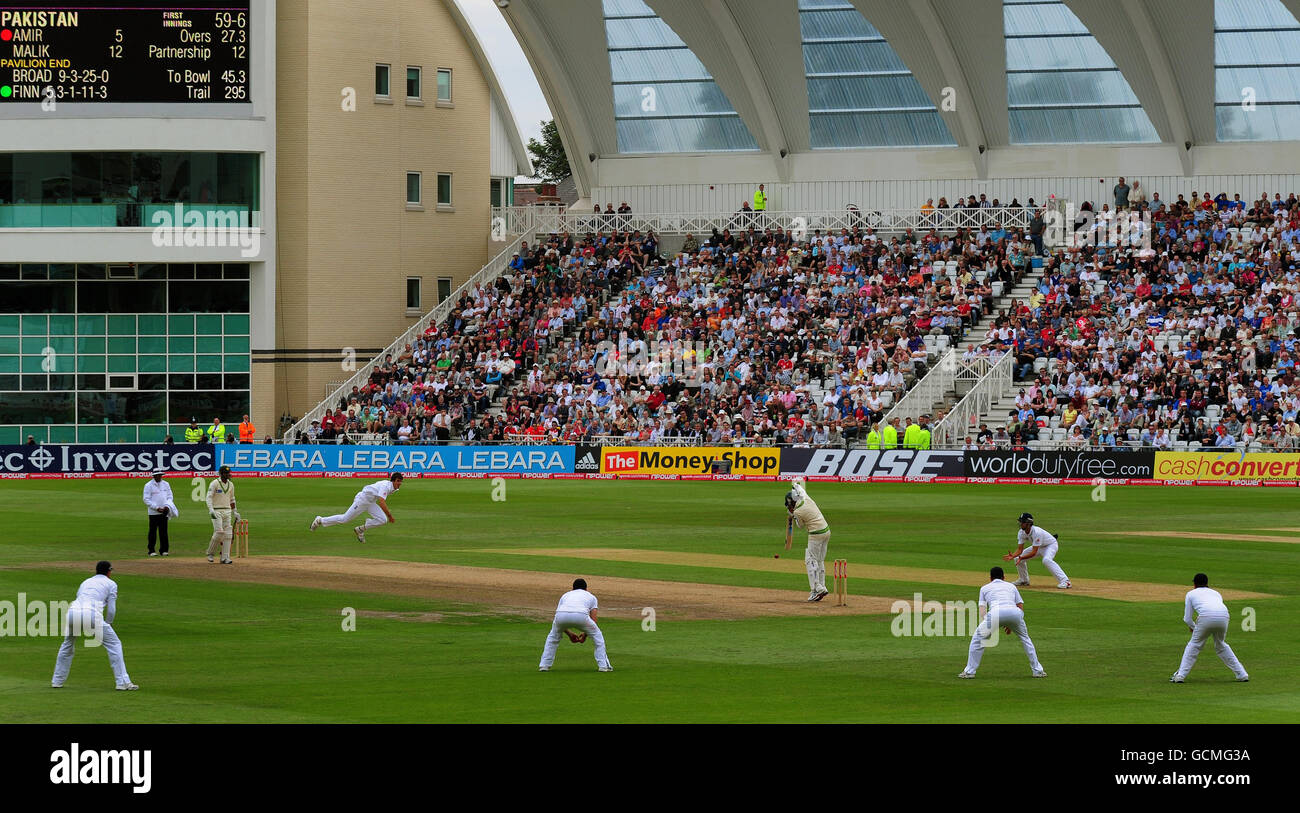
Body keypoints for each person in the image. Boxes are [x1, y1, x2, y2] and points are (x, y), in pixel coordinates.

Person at [51, 561, 138, 691]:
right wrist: (109, 623)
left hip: (72, 613)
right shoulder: (111, 584)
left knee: (67, 644)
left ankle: (57, 681)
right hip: (90, 614)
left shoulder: (85, 582)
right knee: (114, 644)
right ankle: (122, 682)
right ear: (109, 572)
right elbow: (111, 609)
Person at [958, 566, 1046, 679]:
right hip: (1015, 613)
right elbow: (1019, 605)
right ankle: (1038, 671)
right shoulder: (1011, 586)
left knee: (977, 640)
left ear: (990, 578)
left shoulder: (984, 588)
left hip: (995, 613)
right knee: (1025, 639)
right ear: (1004, 577)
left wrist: (989, 623)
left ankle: (969, 672)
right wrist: (1012, 623)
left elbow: (982, 609)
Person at [1170, 573, 1249, 683]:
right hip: (1224, 616)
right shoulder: (1216, 593)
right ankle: (1242, 674)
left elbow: (1187, 618)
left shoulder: (1190, 594)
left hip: (1206, 616)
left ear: (1194, 584)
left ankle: (1180, 676)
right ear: (1207, 583)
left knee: (1194, 645)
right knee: (1221, 644)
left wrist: (1194, 627)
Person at [538, 578, 612, 672]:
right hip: (580, 615)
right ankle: (603, 666)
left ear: (572, 588)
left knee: (553, 637)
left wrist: (570, 634)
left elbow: (559, 616)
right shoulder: (591, 596)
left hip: (561, 616)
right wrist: (585, 634)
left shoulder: (565, 595)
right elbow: (593, 619)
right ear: (586, 589)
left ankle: (544, 665)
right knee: (598, 637)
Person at [310, 472, 402, 543]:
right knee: (344, 519)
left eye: (400, 481)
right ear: (393, 481)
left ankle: (360, 529)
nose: (399, 483)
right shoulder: (385, 486)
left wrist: (387, 517)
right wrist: (390, 516)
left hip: (370, 502)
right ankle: (320, 520)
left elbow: (379, 499)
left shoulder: (395, 488)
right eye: (398, 481)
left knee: (382, 520)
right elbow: (381, 502)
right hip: (362, 500)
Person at [784, 476, 831, 601]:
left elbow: (800, 526)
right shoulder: (805, 497)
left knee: (810, 560)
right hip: (826, 531)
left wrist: (792, 515)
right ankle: (822, 586)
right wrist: (794, 484)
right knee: (819, 560)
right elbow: (800, 488)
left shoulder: (798, 512)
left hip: (816, 534)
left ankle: (817, 589)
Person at [1003, 512, 1070, 589]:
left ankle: (1066, 581)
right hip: (1039, 546)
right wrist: (1014, 555)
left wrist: (1021, 557)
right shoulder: (1021, 532)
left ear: (1029, 523)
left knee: (1046, 560)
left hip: (1050, 545)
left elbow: (1033, 552)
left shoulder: (1036, 532)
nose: (1020, 524)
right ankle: (1024, 580)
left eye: (1023, 522)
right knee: (1017, 558)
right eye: (1020, 521)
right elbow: (1019, 549)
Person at [205, 465, 238, 564]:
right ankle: (210, 553)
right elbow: (209, 497)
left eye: (229, 473)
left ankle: (225, 557)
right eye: (226, 473)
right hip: (216, 510)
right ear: (222, 474)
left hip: (227, 511)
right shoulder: (215, 483)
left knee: (228, 534)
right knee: (219, 532)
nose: (229, 475)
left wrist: (235, 511)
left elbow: (232, 499)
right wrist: (211, 509)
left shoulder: (231, 484)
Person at [143, 468, 178, 557]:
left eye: (160, 475)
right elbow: (146, 499)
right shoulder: (148, 485)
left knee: (164, 532)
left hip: (164, 511)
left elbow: (170, 497)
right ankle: (151, 550)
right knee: (152, 532)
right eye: (158, 475)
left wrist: (167, 506)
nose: (159, 477)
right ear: (154, 476)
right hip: (153, 512)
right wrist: (156, 508)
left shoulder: (166, 484)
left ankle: (164, 550)